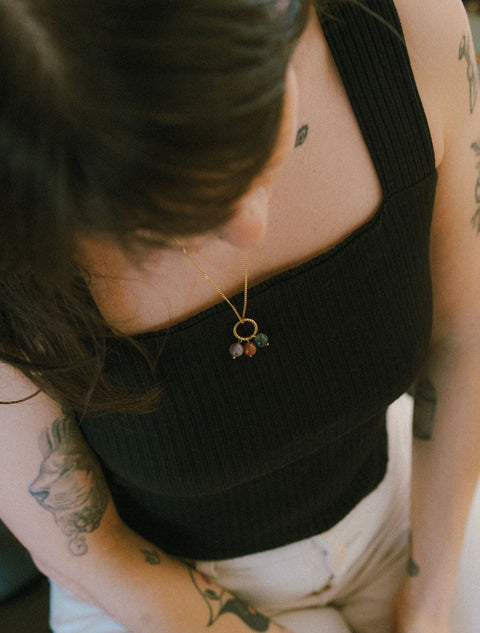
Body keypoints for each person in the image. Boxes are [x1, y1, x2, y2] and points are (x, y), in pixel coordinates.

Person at [0, 0, 479, 631]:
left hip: (396, 510)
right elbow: (86, 551)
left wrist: (429, 601)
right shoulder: (17, 235)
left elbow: (465, 331)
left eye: (254, 147)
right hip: (160, 587)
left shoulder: (411, 28)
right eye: (168, 219)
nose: (251, 227)